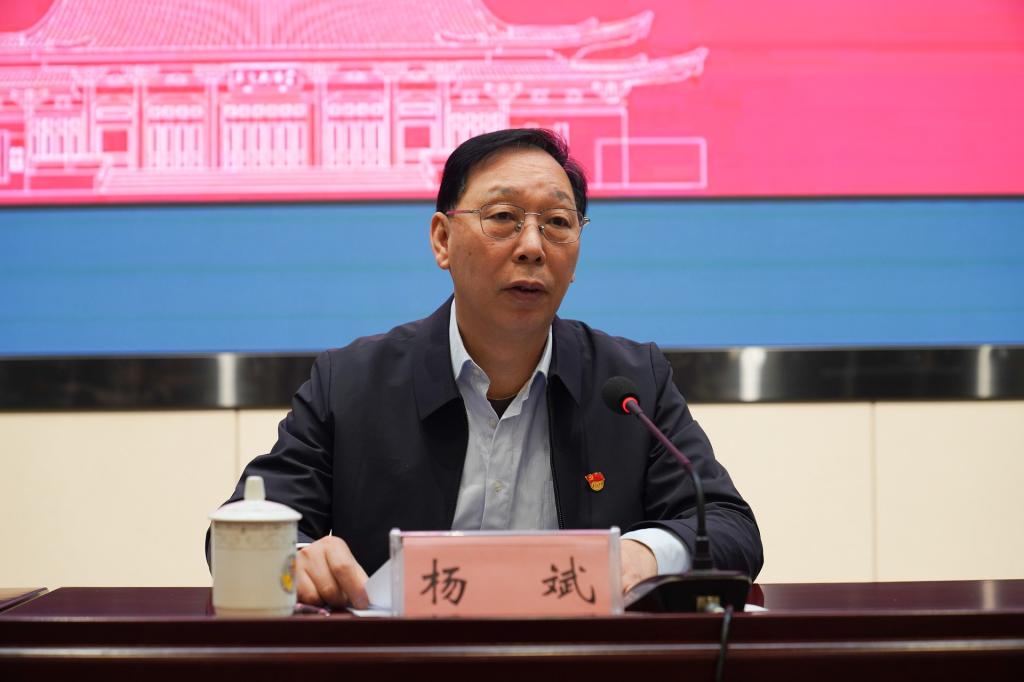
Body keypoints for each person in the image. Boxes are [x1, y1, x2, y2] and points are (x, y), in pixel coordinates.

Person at [208, 128, 762, 609]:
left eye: (558, 222)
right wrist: (298, 556)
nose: (532, 246)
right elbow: (237, 529)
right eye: (502, 218)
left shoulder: (630, 382)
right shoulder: (352, 383)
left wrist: (645, 554)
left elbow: (730, 527)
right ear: (442, 240)